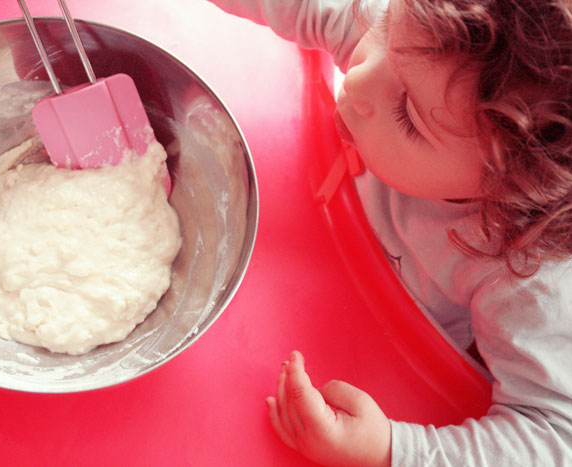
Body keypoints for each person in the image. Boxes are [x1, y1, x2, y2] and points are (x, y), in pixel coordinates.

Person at [206, 0, 572, 465]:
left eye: (408, 117)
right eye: (384, 26)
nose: (357, 80)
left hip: (369, 346)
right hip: (287, 255)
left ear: (510, 184)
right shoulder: (420, 45)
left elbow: (553, 436)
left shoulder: (524, 272)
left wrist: (390, 450)